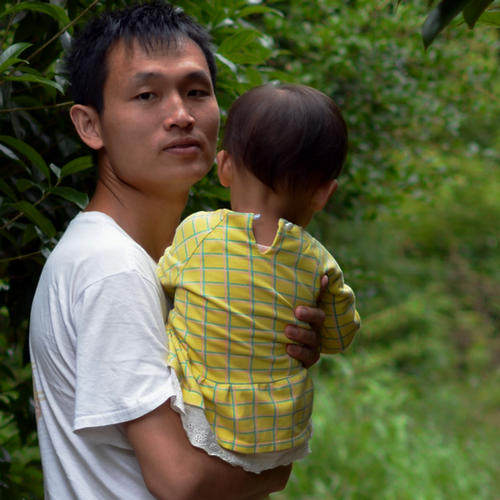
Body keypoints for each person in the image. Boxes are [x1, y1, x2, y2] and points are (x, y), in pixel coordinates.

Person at [29, 3, 327, 499]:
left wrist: (269, 354)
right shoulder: (111, 267)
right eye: (147, 95)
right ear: (90, 125)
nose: (181, 116)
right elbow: (181, 480)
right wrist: (277, 469)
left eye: (196, 92)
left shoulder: (187, 264)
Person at [156, 83, 361, 473]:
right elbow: (339, 337)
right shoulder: (320, 265)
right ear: (323, 193)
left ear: (225, 167)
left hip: (203, 412)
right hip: (279, 431)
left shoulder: (198, 233)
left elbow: (163, 282)